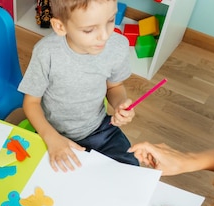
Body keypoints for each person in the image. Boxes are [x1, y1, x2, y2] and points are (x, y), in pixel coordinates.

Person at [19, 0, 137, 172]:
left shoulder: (117, 46)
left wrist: (120, 104)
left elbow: (114, 87)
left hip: (99, 130)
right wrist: (51, 138)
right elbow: (31, 103)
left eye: (111, 20)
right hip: (52, 131)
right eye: (89, 30)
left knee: (131, 170)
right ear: (60, 26)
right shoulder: (46, 52)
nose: (104, 35)